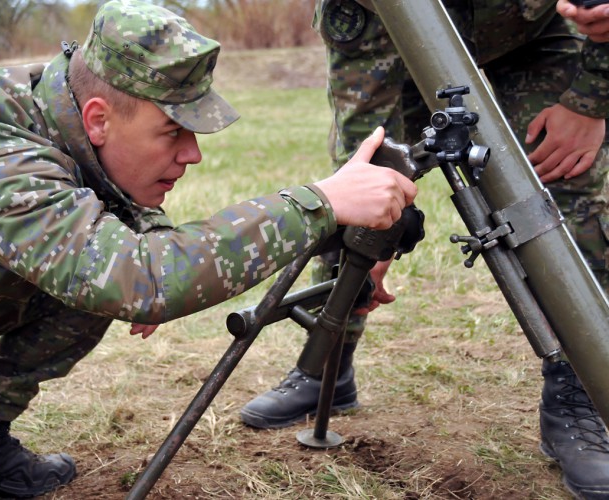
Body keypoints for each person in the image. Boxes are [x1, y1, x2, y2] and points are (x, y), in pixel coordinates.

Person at [0, 1, 417, 498]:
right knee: (111, 276)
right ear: (99, 118)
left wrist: (153, 239)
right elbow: (136, 278)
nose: (192, 154)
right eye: (172, 132)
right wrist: (317, 204)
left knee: (99, 280)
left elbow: (118, 219)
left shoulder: (57, 106)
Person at [240, 1, 609, 498]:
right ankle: (327, 365)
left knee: (567, 186)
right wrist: (370, 227)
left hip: (532, 34)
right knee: (355, 193)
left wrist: (589, 101)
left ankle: (577, 395)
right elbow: (364, 161)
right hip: (391, 38)